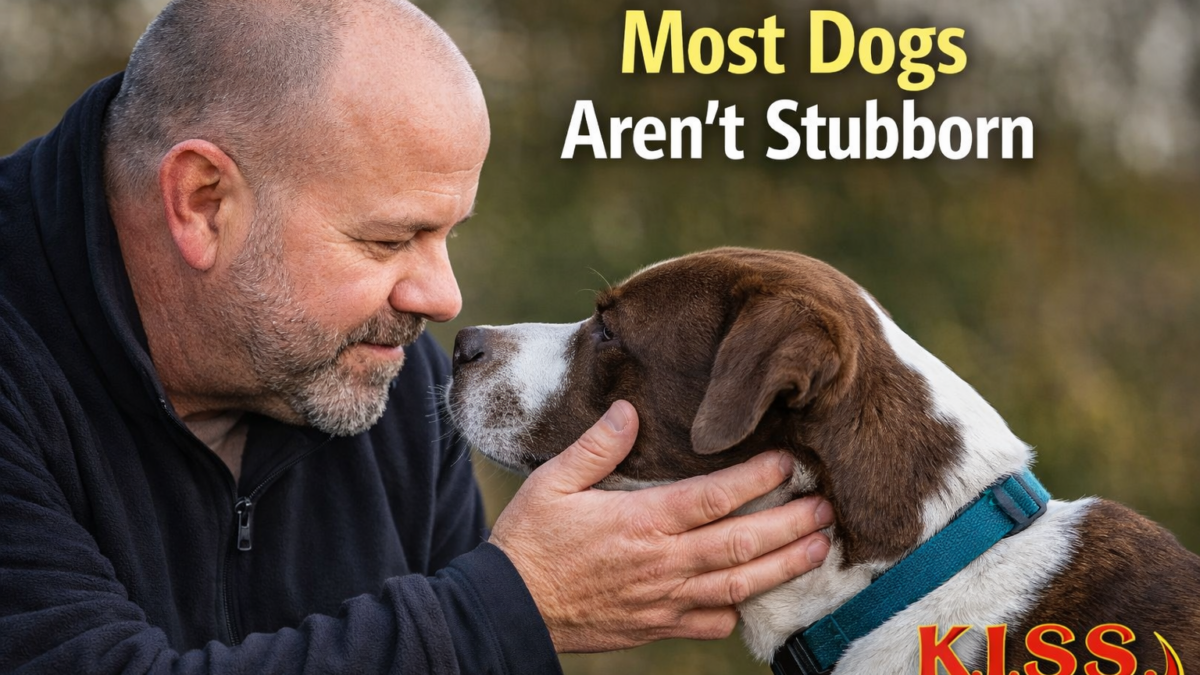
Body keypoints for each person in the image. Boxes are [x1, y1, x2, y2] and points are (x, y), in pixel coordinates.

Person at [0, 0, 833, 672]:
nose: (442, 296)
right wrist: (513, 608)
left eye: (449, 235)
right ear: (203, 200)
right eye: (389, 240)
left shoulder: (374, 379)